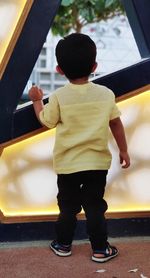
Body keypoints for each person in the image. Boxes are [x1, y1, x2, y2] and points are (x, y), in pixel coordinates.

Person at [28, 33, 130, 263]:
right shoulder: (105, 95)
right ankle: (100, 249)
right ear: (94, 66)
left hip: (67, 165)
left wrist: (36, 100)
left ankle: (63, 245)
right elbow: (116, 123)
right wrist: (123, 150)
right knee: (95, 206)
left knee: (68, 207)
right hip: (96, 163)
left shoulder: (59, 97)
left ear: (59, 70)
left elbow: (46, 120)